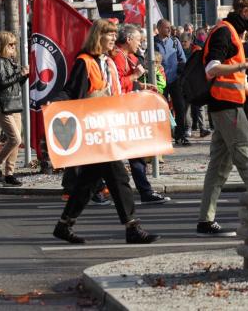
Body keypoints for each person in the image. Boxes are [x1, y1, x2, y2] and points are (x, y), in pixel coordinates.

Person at [51, 19, 159, 245]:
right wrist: (55, 104)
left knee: (88, 181)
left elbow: (114, 91)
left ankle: (64, 225)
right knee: (119, 177)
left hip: (108, 127)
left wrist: (138, 90)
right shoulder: (85, 62)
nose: (113, 38)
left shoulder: (106, 61)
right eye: (108, 34)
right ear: (97, 37)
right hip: (95, 130)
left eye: (113, 34)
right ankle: (132, 227)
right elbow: (72, 91)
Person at [196, 0, 248, 237]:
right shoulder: (225, 32)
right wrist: (245, 64)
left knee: (219, 167)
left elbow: (238, 79)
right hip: (227, 107)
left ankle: (205, 221)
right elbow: (212, 68)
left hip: (226, 105)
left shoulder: (232, 32)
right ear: (246, 11)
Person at [111, 24, 169, 205]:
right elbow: (116, 84)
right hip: (119, 111)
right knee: (112, 158)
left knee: (136, 153)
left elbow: (128, 83)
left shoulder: (128, 56)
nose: (140, 44)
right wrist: (135, 76)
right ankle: (88, 190)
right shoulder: (117, 56)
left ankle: (145, 191)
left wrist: (143, 86)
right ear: (128, 39)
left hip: (128, 110)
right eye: (138, 40)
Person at [0, 32, 28, 187]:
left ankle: (9, 173)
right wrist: (19, 74)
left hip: (14, 104)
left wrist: (23, 76)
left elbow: (14, 86)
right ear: (3, 45)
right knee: (15, 139)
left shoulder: (10, 61)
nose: (13, 47)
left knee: (17, 141)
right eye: (10, 44)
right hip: (3, 105)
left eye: (14, 44)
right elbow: (2, 83)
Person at [155, 19, 190, 145]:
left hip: (175, 80)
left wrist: (181, 74)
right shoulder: (153, 42)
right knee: (161, 108)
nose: (169, 30)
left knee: (180, 107)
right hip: (160, 81)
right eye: (166, 27)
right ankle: (164, 136)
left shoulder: (175, 41)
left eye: (169, 27)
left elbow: (182, 59)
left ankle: (181, 135)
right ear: (159, 28)